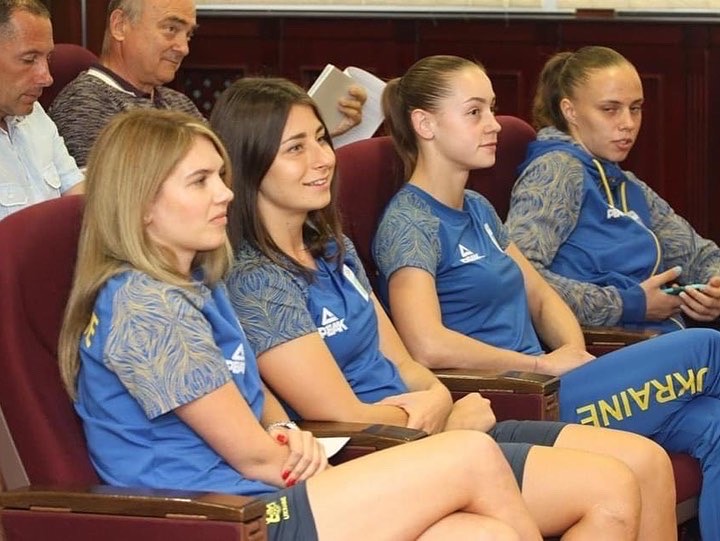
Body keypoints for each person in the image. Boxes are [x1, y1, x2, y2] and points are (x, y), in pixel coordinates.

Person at [212, 76, 672, 540]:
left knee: (636, 469)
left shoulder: (335, 247)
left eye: (320, 139)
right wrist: (439, 415)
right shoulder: (257, 280)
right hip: (379, 450)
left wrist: (437, 399)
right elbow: (342, 413)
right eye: (296, 148)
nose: (322, 159)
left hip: (428, 427)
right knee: (595, 496)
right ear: (251, 164)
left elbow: (406, 363)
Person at [57, 107, 548, 541]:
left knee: (484, 533)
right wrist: (355, 473)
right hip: (223, 519)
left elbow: (254, 396)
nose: (225, 193)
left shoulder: (197, 277)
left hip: (260, 494)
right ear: (143, 204)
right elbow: (254, 457)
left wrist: (283, 428)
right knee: (472, 456)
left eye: (221, 176)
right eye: (200, 181)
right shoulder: (145, 306)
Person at [373, 54, 720, 540]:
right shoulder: (410, 222)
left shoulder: (477, 207)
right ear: (425, 124)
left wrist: (572, 350)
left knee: (715, 423)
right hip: (512, 399)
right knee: (708, 349)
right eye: (475, 112)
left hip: (554, 384)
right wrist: (539, 366)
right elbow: (426, 344)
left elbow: (540, 295)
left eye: (491, 108)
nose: (495, 124)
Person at [506, 45, 720, 334]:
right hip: (605, 346)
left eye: (635, 108)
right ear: (570, 111)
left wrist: (715, 289)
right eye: (610, 110)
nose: (628, 124)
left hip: (664, 338)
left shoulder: (624, 183)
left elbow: (699, 255)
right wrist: (629, 304)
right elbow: (518, 275)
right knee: (708, 344)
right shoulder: (557, 170)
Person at [49, 0, 367, 169]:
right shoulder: (84, 106)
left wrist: (312, 134)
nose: (183, 47)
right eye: (171, 29)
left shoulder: (177, 102)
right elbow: (115, 211)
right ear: (120, 25)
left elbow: (229, 168)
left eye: (188, 34)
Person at [0, 0, 83, 220]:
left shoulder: (34, 114)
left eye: (48, 58)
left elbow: (78, 194)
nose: (47, 78)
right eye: (29, 60)